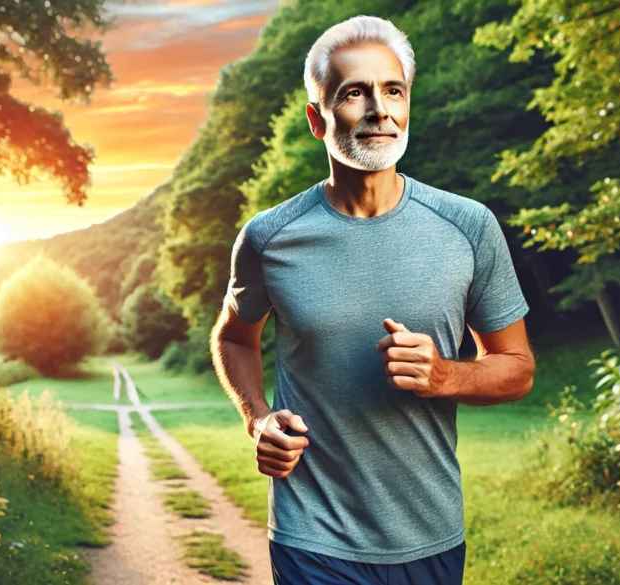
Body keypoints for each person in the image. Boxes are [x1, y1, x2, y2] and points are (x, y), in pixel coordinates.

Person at [209, 14, 536, 585]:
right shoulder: (269, 236)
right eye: (355, 93)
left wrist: (444, 377)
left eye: (393, 91)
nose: (379, 109)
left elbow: (517, 368)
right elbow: (234, 336)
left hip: (430, 534)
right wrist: (258, 421)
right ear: (318, 118)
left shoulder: (469, 226)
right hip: (313, 534)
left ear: (408, 106)